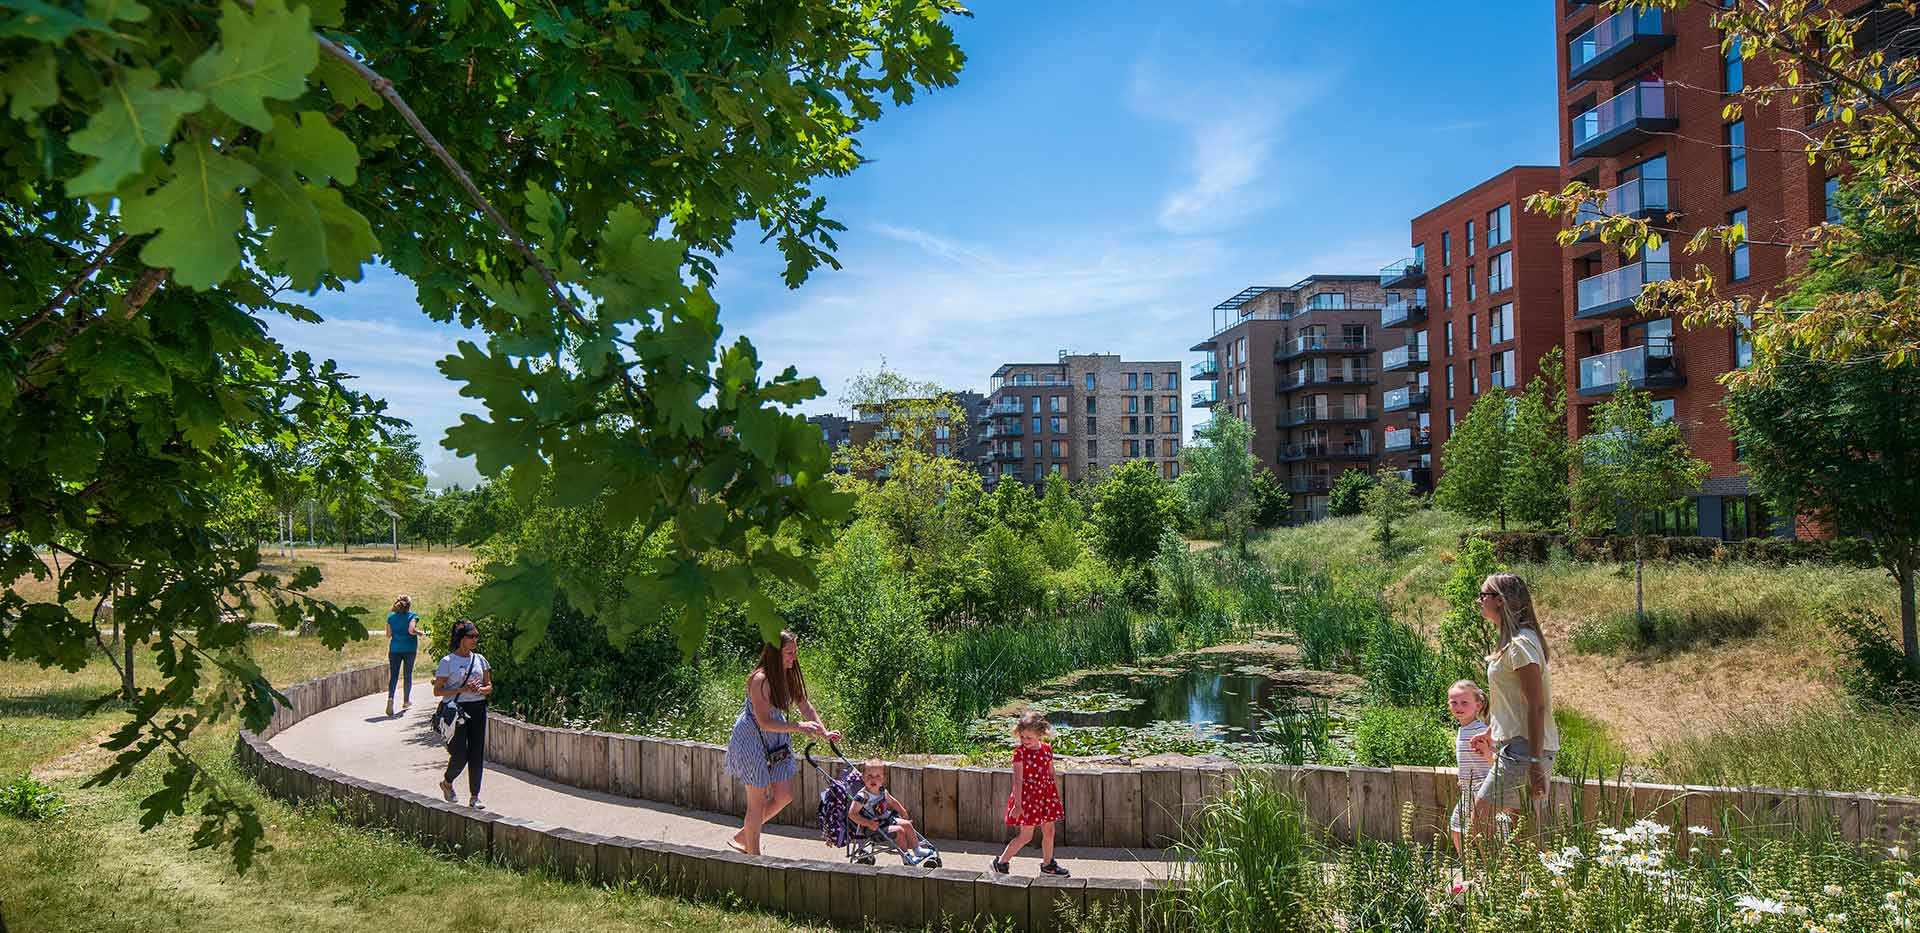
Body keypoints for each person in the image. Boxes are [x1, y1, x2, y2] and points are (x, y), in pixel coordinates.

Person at [725, 630, 839, 856]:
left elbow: (805, 706)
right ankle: (753, 856)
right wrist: (799, 727)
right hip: (751, 739)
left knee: (784, 795)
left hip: (776, 738)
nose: (793, 657)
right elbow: (765, 722)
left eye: (795, 652)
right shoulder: (760, 679)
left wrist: (824, 732)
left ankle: (744, 834)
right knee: (756, 801)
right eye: (789, 652)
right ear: (775, 654)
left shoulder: (788, 674)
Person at [1469, 573, 1559, 830]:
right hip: (1515, 746)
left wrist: (1534, 764)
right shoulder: (1515, 642)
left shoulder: (1520, 645)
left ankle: (1485, 871)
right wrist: (1491, 731)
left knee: (1479, 821)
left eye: (1483, 595)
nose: (1479, 601)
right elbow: (1514, 701)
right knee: (1521, 831)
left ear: (1499, 600)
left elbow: (1536, 705)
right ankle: (1511, 872)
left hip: (1524, 750)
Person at [992, 711, 1069, 877]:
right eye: (1022, 737)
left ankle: (1048, 865)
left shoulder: (1047, 749)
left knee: (1049, 832)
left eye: (1029, 738)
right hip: (1028, 800)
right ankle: (1001, 862)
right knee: (1025, 836)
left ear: (1040, 734)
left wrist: (1055, 795)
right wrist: (1018, 805)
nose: (1025, 741)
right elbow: (1017, 781)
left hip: (1046, 796)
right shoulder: (1020, 753)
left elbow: (1050, 772)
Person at [434, 620, 492, 809]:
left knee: (477, 753)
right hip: (456, 711)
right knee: (460, 755)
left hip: (478, 708)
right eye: (471, 636)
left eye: (476, 636)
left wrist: (480, 690)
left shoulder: (480, 659)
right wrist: (462, 688)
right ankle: (447, 783)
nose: (475, 639)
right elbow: (438, 691)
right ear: (461, 638)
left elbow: (489, 686)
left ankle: (475, 797)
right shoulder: (447, 661)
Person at [848, 759, 934, 864]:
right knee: (899, 830)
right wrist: (868, 823)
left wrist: (902, 811)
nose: (873, 779)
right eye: (869, 776)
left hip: (886, 820)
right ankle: (906, 857)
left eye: (877, 776)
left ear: (883, 778)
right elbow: (852, 814)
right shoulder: (862, 796)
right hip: (873, 827)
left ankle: (917, 849)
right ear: (863, 777)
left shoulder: (881, 790)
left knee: (906, 824)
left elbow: (892, 802)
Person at [1447, 679, 1492, 857]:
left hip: (1482, 789)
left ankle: (1487, 867)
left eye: (1464, 702)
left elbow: (1494, 758)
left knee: (1480, 831)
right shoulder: (1463, 729)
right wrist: (1462, 776)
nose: (1458, 706)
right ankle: (1468, 866)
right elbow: (1468, 759)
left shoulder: (1480, 730)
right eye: (1454, 702)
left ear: (1478, 705)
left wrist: (1488, 754)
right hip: (1468, 789)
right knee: (1457, 828)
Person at [385, 595, 422, 717]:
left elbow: (388, 635)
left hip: (394, 649)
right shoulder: (412, 616)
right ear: (409, 605)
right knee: (407, 674)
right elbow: (411, 630)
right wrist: (418, 632)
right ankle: (406, 701)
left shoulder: (391, 617)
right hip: (409, 649)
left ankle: (390, 698)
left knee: (394, 675)